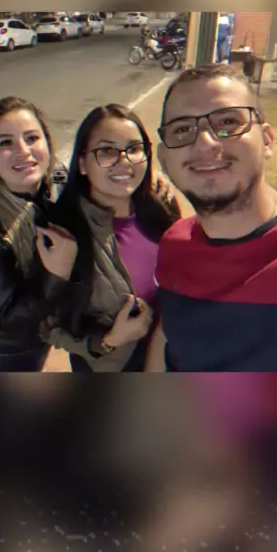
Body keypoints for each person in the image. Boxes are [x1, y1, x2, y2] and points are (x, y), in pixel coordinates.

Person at [147, 64, 277, 372]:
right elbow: (168, 335)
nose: (205, 143)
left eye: (228, 122)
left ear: (267, 140)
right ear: (164, 159)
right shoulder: (174, 244)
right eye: (182, 130)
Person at [46, 104, 181, 371]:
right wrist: (108, 341)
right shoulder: (64, 234)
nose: (124, 161)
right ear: (82, 164)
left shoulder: (163, 207)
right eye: (107, 151)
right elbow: (48, 325)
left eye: (134, 149)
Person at [0, 96, 78, 372]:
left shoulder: (54, 177)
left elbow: (75, 187)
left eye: (31, 138)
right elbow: (9, 320)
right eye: (6, 143)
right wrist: (57, 274)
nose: (23, 151)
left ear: (47, 144)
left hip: (36, 341)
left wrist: (143, 187)